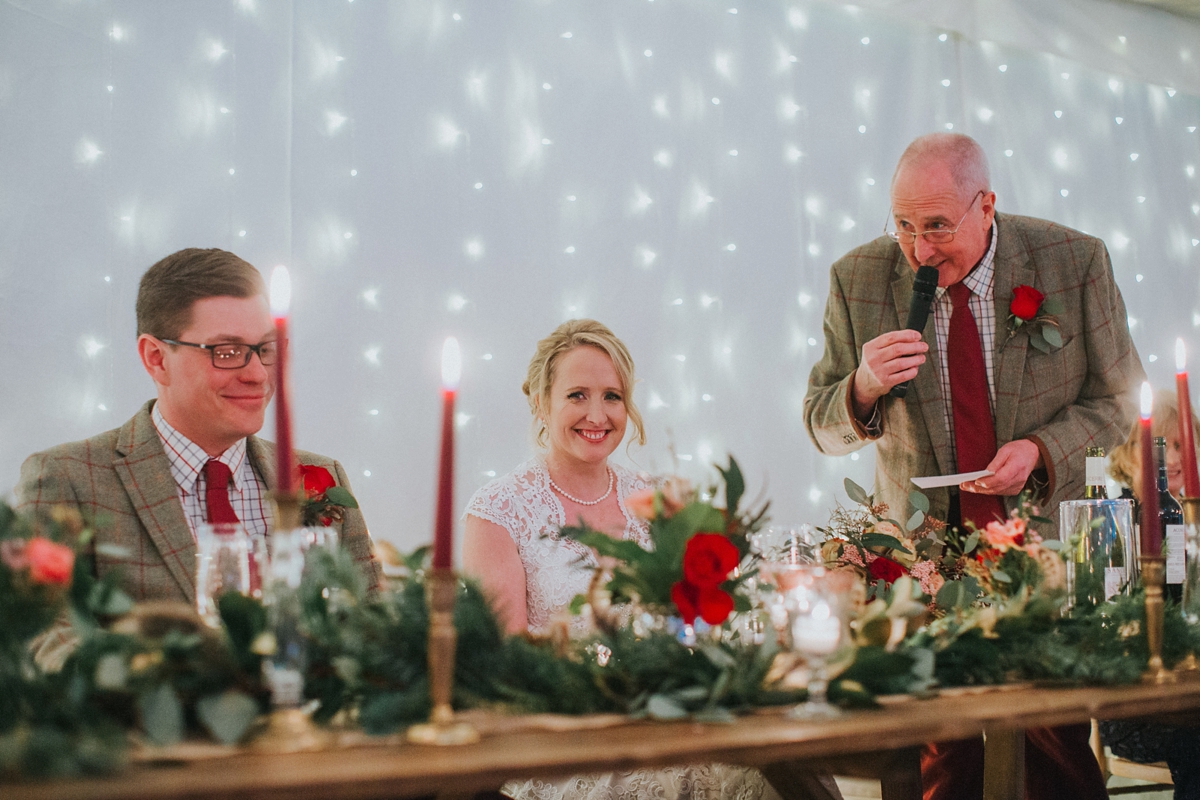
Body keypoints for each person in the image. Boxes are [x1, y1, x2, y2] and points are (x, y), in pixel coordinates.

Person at [804, 133, 1145, 800]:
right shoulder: (858, 278)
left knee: (1059, 754)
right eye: (902, 225)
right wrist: (863, 386)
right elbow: (820, 422)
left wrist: (1043, 450)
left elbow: (1121, 403)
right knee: (939, 761)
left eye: (937, 226)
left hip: (1045, 556)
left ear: (986, 205)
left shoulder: (1073, 262)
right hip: (922, 565)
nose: (918, 249)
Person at [463, 319, 840, 800]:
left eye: (612, 396)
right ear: (540, 402)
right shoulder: (499, 509)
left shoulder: (657, 499)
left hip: (676, 722)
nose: (597, 415)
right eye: (577, 395)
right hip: (564, 739)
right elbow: (506, 661)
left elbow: (700, 617)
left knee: (786, 761)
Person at [17, 248, 381, 609]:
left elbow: (372, 629)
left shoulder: (322, 477)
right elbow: (47, 639)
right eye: (226, 352)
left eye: (266, 348)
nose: (257, 375)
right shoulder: (69, 478)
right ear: (156, 359)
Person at [1100, 389, 1200, 800]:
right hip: (1139, 702)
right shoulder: (1113, 523)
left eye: (1181, 444)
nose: (1173, 458)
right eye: (1161, 445)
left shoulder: (1193, 518)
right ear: (1131, 454)